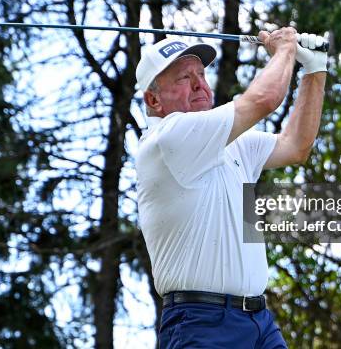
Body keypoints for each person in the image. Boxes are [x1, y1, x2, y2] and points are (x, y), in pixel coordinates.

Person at [135, 27, 327, 348]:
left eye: (201, 74)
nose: (199, 84)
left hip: (259, 322)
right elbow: (264, 99)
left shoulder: (230, 145)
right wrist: (285, 49)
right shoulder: (168, 137)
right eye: (184, 78)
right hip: (201, 323)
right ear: (154, 100)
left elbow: (296, 145)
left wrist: (315, 69)